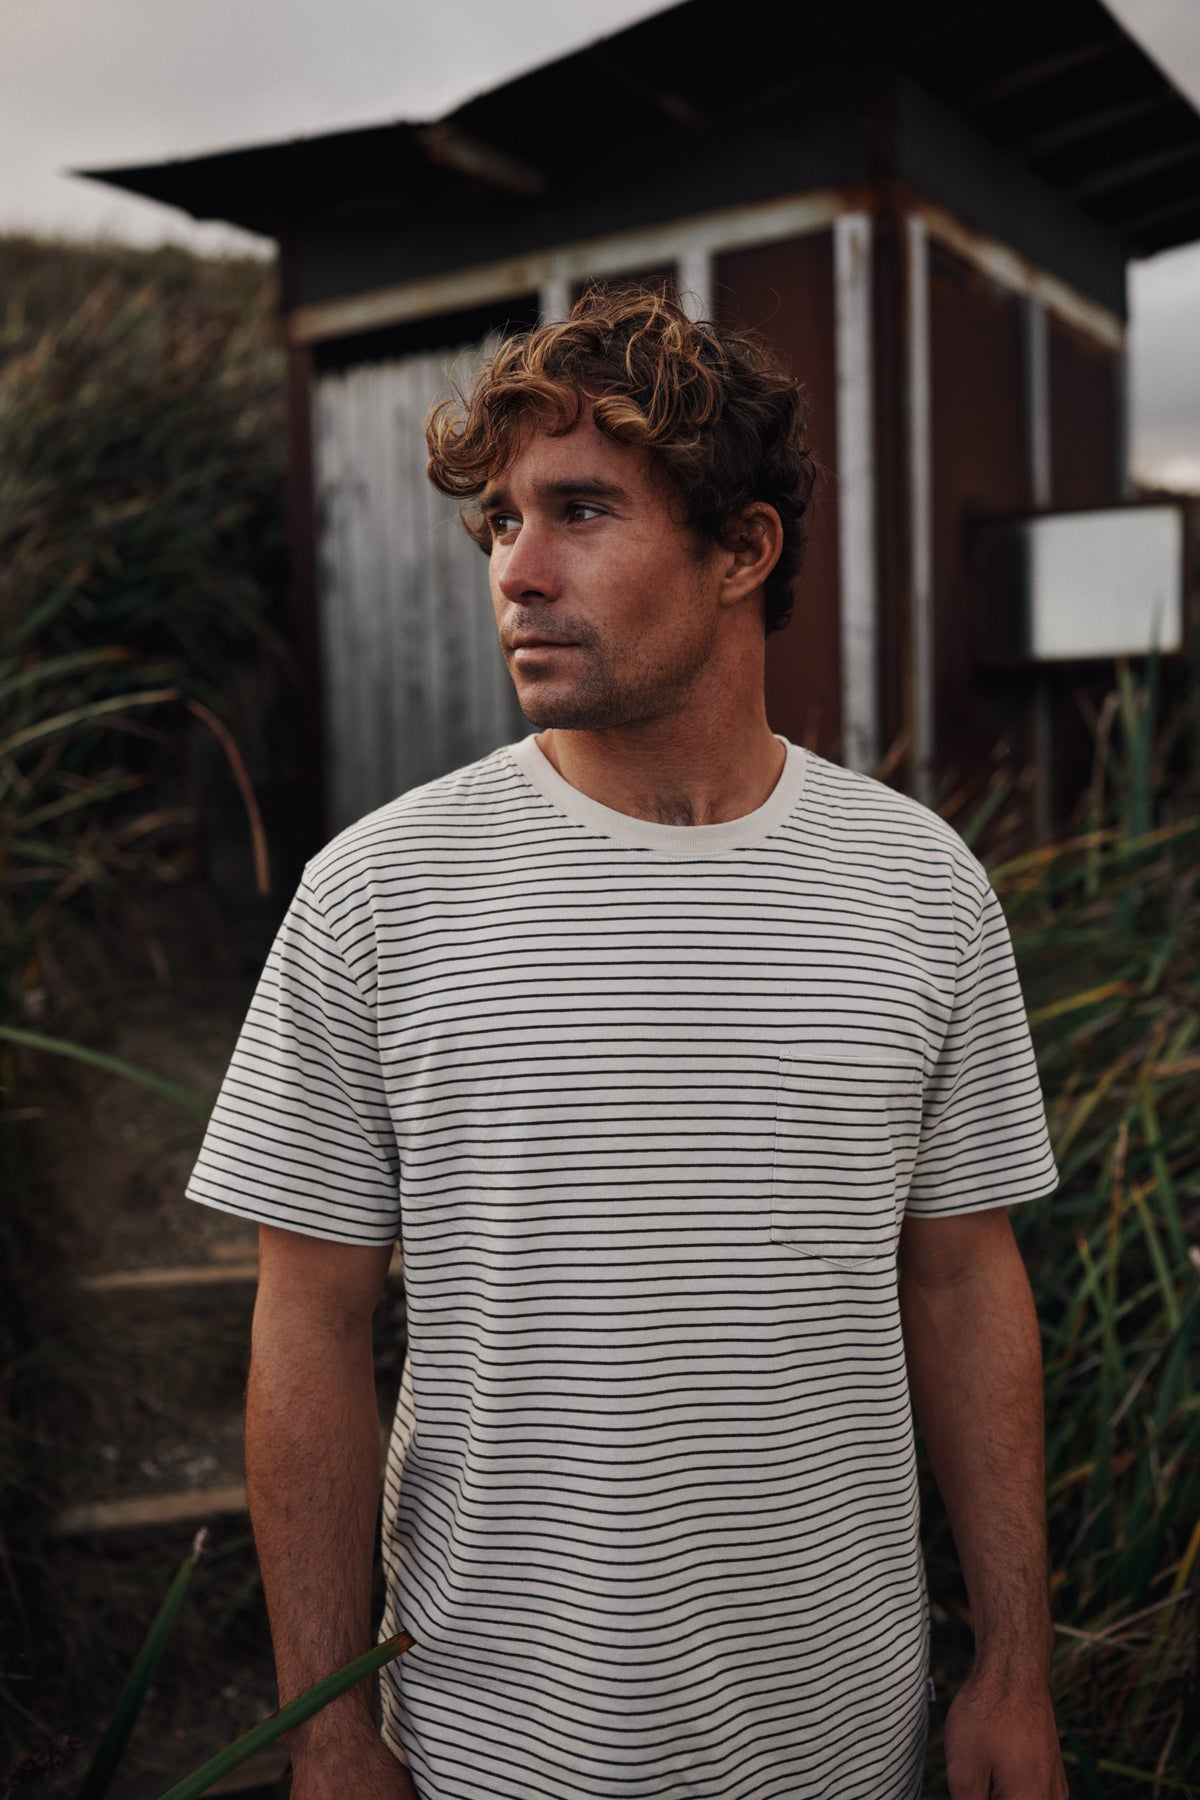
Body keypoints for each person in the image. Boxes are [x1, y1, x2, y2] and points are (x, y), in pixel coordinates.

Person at [188, 287, 1068, 1799]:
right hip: (493, 1744)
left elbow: (963, 1273)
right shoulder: (379, 893)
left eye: (579, 511)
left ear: (744, 551)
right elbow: (312, 1322)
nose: (517, 572)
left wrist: (1012, 1671)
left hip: (849, 1739)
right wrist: (327, 1727)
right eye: (502, 525)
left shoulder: (919, 888)